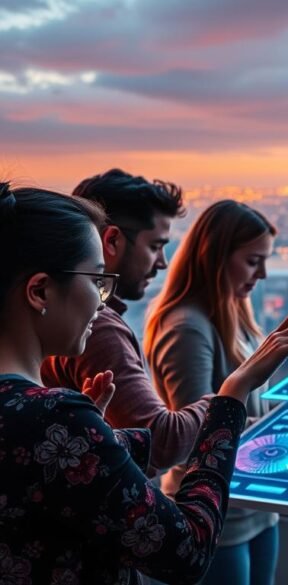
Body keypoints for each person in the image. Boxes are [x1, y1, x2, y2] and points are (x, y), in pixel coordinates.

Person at [0, 184, 288, 583]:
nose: (102, 300)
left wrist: (98, 434)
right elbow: (187, 552)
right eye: (96, 279)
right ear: (39, 291)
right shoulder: (55, 417)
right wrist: (232, 395)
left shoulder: (49, 417)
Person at [144, 201, 288, 585]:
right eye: (252, 261)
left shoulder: (235, 313)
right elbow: (197, 433)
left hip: (254, 504)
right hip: (214, 514)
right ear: (215, 258)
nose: (262, 274)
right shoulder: (187, 329)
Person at [41, 169, 206, 476]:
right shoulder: (97, 327)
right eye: (155, 246)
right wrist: (228, 399)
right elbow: (161, 441)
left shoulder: (53, 314)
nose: (162, 262)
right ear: (112, 239)